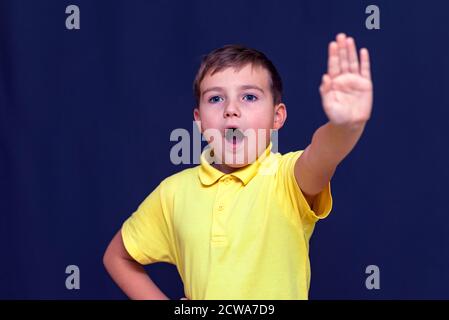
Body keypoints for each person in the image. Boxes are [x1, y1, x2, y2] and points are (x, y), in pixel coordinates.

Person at [103, 33, 373, 300]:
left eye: (249, 97)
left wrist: (345, 126)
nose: (231, 109)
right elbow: (117, 257)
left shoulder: (286, 178)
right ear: (199, 121)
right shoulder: (172, 194)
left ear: (276, 117)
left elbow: (323, 154)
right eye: (216, 99)